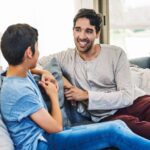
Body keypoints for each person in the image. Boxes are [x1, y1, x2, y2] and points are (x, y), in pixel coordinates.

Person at [1, 24, 150, 150]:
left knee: (118, 123)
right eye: (37, 48)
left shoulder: (16, 73)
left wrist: (43, 70)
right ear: (28, 52)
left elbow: (27, 69)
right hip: (42, 143)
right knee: (113, 131)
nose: (38, 52)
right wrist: (53, 94)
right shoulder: (19, 92)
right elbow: (56, 127)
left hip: (46, 137)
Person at [38, 8, 150, 140]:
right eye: (78, 29)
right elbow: (37, 63)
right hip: (106, 115)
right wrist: (60, 80)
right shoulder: (65, 57)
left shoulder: (116, 53)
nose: (82, 36)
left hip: (136, 102)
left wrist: (86, 95)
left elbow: (126, 96)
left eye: (89, 31)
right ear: (73, 31)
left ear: (97, 34)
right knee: (139, 129)